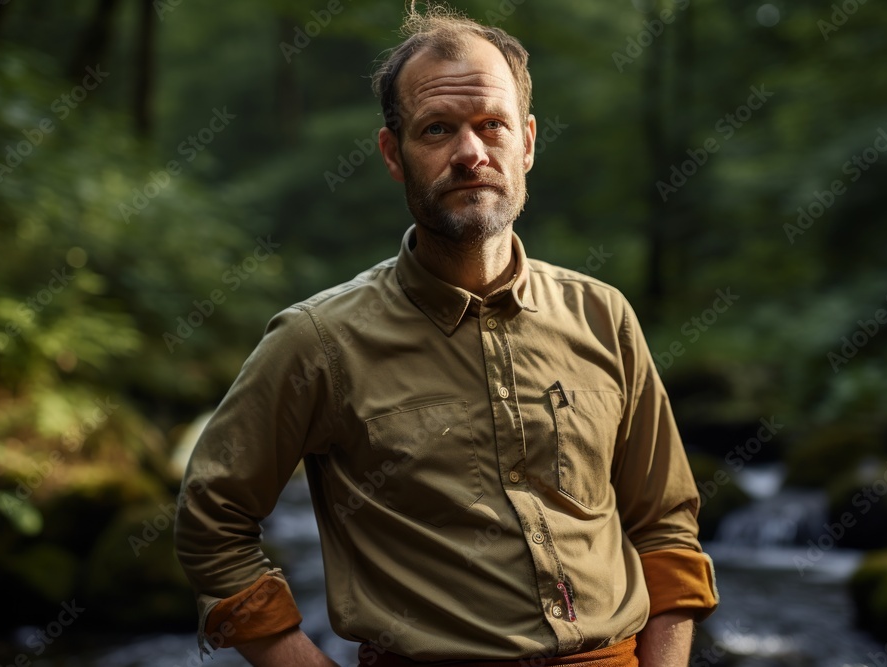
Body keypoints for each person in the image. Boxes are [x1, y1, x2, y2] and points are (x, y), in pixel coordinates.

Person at [174, 6, 718, 666]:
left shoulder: (605, 316)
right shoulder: (317, 342)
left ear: (528, 142)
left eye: (493, 124)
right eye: (438, 129)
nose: (470, 152)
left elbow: (664, 523)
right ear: (392, 154)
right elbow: (212, 521)